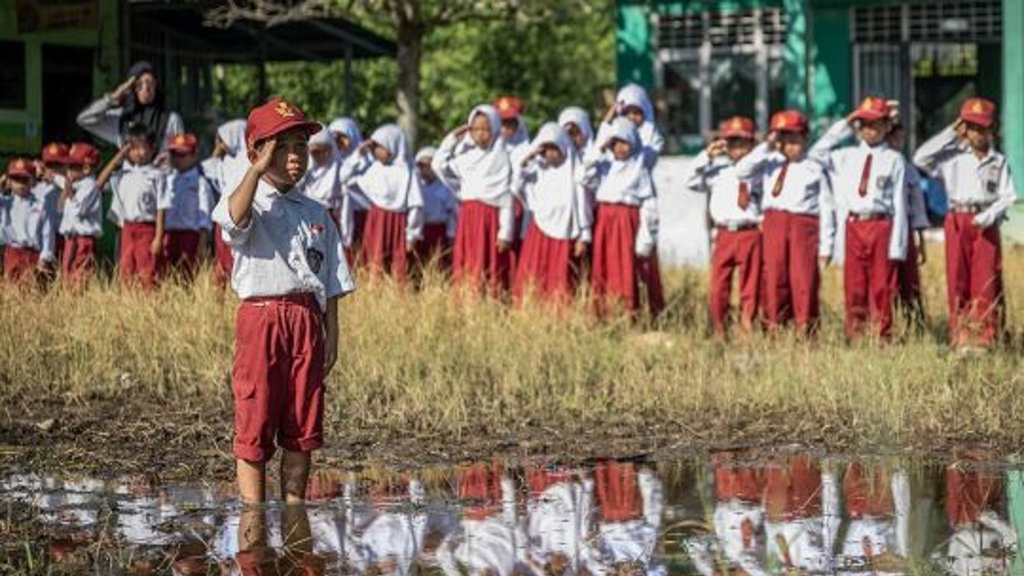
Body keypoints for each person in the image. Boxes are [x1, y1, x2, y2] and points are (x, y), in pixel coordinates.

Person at [211, 97, 355, 505]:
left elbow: (331, 281)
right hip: (261, 320)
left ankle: (295, 514)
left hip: (307, 320)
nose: (295, 156)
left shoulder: (317, 212)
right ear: (256, 152)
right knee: (255, 419)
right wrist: (256, 170)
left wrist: (331, 334)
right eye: (282, 147)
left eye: (301, 146)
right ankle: (253, 517)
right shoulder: (247, 200)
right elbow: (233, 222)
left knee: (302, 424)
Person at [913, 97, 1017, 350]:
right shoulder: (953, 157)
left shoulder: (998, 161)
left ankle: (984, 336)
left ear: (992, 129)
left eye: (983, 128)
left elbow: (1008, 196)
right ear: (963, 128)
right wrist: (951, 132)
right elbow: (920, 158)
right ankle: (960, 334)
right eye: (971, 127)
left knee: (985, 278)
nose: (977, 133)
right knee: (957, 276)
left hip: (985, 221)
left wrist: (990, 215)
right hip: (957, 219)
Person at [810, 97, 908, 341]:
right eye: (863, 124)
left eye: (875, 124)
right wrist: (846, 123)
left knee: (882, 284)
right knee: (854, 284)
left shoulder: (894, 159)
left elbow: (899, 203)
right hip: (854, 225)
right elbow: (816, 153)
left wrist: (898, 246)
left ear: (887, 126)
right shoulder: (845, 156)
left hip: (881, 224)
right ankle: (855, 334)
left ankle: (883, 336)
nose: (869, 129)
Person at [734, 110, 836, 336]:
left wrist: (827, 246)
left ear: (805, 138)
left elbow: (827, 207)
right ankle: (775, 328)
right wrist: (768, 145)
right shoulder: (769, 161)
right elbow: (741, 171)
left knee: (803, 279)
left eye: (795, 139)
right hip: (774, 222)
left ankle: (806, 331)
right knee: (774, 277)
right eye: (785, 139)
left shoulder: (814, 167)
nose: (790, 145)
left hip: (803, 224)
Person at [580, 117, 664, 319]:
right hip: (604, 222)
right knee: (604, 265)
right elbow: (583, 177)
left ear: (633, 142)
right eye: (615, 143)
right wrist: (599, 148)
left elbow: (649, 204)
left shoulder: (639, 169)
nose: (619, 148)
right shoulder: (604, 167)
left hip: (627, 222)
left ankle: (628, 311)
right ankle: (604, 313)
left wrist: (646, 237)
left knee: (626, 266)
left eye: (624, 142)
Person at [686, 116, 762, 337]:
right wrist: (707, 155)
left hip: (750, 231)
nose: (738, 148)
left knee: (751, 284)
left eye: (743, 142)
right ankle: (720, 329)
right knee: (719, 284)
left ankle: (747, 328)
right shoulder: (718, 171)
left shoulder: (760, 171)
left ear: (752, 144)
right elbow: (690, 181)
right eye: (732, 142)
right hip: (724, 233)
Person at [432, 104, 515, 298]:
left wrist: (505, 233)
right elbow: (438, 165)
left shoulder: (501, 159)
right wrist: (452, 139)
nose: (480, 134)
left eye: (486, 129)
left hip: (490, 221)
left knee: (490, 261)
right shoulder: (466, 158)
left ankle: (490, 300)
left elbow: (506, 201)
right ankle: (467, 301)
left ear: (495, 129)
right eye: (475, 129)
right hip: (469, 218)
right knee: (468, 259)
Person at [512, 122, 591, 306]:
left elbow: (582, 205)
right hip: (539, 232)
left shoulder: (574, 173)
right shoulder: (538, 171)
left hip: (566, 234)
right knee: (535, 273)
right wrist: (530, 156)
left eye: (554, 148)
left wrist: (584, 235)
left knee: (561, 278)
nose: (550, 154)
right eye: (545, 149)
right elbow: (516, 186)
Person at [339, 123, 424, 285]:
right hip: (376, 221)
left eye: (379, 146)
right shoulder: (375, 170)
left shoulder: (408, 172)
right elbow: (345, 179)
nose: (375, 151)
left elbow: (416, 206)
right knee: (374, 260)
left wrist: (412, 235)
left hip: (398, 224)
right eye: (373, 147)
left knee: (397, 265)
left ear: (392, 146)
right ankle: (375, 293)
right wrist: (358, 154)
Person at [99, 122, 167, 289]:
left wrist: (159, 237)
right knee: (126, 269)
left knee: (147, 271)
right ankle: (128, 301)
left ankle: (148, 302)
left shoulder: (156, 175)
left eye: (143, 147)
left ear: (152, 148)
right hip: (127, 229)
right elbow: (99, 183)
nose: (139, 152)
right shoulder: (123, 173)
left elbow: (161, 208)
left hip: (147, 229)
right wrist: (120, 155)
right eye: (133, 148)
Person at [77, 61, 183, 152]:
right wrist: (112, 98)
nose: (146, 88)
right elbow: (84, 120)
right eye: (139, 84)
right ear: (131, 87)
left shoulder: (171, 119)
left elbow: (180, 152)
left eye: (150, 83)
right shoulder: (121, 118)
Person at [888, 121, 930, 329]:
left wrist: (920, 239)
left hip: (905, 229)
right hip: (883, 228)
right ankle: (884, 326)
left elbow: (918, 205)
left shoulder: (909, 169)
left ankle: (914, 325)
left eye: (901, 138)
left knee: (909, 280)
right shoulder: (876, 164)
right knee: (886, 280)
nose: (898, 142)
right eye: (894, 137)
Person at [163, 133, 214, 280]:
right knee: (166, 275)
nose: (177, 158)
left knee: (186, 275)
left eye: (182, 154)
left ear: (194, 155)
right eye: (174, 153)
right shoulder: (167, 180)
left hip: (190, 236)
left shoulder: (200, 182)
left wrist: (202, 244)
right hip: (169, 234)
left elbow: (205, 217)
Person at [205, 118, 247, 290]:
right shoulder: (226, 160)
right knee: (222, 257)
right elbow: (206, 169)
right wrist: (217, 151)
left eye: (222, 140)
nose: (220, 144)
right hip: (223, 216)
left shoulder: (247, 159)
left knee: (236, 258)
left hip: (238, 215)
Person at [0, 158, 57, 285]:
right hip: (11, 252)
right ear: (9, 181)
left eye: (24, 179)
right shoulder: (5, 203)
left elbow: (47, 233)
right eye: (16, 179)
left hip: (32, 254)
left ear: (33, 181)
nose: (20, 184)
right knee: (10, 288)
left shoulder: (41, 205)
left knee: (30, 288)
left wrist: (45, 257)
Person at [57, 143, 103, 285]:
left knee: (81, 276)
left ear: (86, 168)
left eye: (72, 167)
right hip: (71, 238)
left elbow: (78, 210)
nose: (68, 171)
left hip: (84, 240)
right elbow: (60, 207)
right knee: (67, 275)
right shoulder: (76, 184)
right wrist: (66, 188)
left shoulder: (90, 186)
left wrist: (69, 191)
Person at [329, 117, 369, 254]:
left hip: (360, 211)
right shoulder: (328, 159)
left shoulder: (366, 158)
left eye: (343, 136)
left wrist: (358, 156)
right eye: (335, 137)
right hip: (337, 212)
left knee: (359, 249)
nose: (339, 141)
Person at [414, 147, 458, 271]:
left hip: (438, 231)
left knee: (438, 264)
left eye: (428, 165)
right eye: (421, 165)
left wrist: (451, 234)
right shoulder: (416, 186)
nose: (424, 169)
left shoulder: (445, 187)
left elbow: (451, 214)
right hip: (419, 230)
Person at [604, 84, 664, 170]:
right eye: (626, 113)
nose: (631, 117)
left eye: (636, 113)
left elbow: (647, 160)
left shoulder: (653, 136)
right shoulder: (612, 134)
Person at [296, 125, 342, 223]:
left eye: (326, 150)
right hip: (308, 214)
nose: (322, 155)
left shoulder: (338, 168)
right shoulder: (307, 169)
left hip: (330, 216)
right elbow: (296, 189)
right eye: (316, 152)